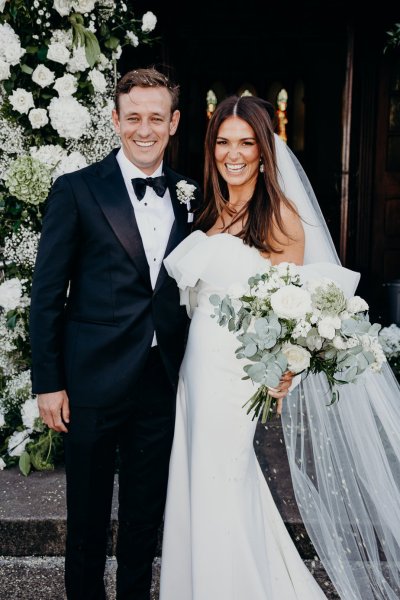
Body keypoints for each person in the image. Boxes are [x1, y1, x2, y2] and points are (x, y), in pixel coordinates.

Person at [159, 95, 400, 599]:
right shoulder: (210, 210)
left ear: (265, 151)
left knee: (221, 480)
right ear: (212, 149)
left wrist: (284, 370)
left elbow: (291, 308)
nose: (234, 153)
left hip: (237, 373)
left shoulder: (282, 217)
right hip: (196, 370)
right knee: (199, 480)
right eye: (223, 142)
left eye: (247, 143)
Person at [29, 67, 201, 600]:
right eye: (133, 118)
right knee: (86, 516)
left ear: (173, 123)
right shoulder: (76, 190)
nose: (143, 129)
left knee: (144, 518)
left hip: (160, 379)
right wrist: (48, 382)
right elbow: (46, 295)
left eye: (156, 117)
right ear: (115, 120)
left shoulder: (192, 196)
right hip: (92, 381)